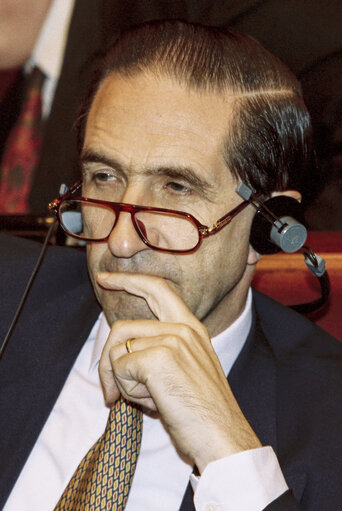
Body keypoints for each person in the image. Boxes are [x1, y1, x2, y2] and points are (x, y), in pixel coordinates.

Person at [1, 20, 342, 511]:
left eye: (176, 190)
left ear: (270, 225)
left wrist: (228, 455)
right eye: (104, 177)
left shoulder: (330, 419)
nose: (120, 241)